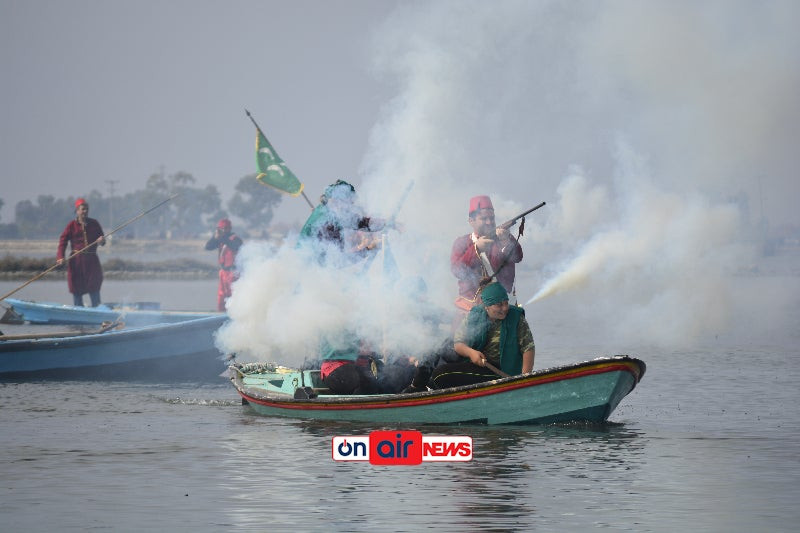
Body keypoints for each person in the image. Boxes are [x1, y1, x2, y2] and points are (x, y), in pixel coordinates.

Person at [427, 282, 535, 390]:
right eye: (499, 305)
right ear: (486, 306)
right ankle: (417, 387)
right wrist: (471, 353)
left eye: (506, 303)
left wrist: (524, 380)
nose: (505, 308)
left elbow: (528, 348)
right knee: (436, 350)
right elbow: (459, 343)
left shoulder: (516, 318)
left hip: (500, 371)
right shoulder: (475, 315)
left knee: (440, 375)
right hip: (478, 364)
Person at [451, 195, 523, 312]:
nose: (489, 222)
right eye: (484, 219)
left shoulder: (504, 238)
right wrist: (476, 249)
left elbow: (518, 256)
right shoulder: (462, 242)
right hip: (471, 307)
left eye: (492, 218)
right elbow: (456, 270)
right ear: (471, 221)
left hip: (503, 305)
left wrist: (506, 241)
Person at [297, 179, 386, 265]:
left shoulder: (328, 212)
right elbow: (339, 261)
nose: (350, 207)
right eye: (349, 203)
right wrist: (369, 249)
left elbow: (361, 223)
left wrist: (384, 223)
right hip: (309, 272)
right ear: (337, 201)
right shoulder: (327, 224)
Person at [57, 198, 106, 307]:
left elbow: (103, 241)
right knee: (76, 289)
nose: (85, 211)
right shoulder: (71, 226)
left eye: (87, 209)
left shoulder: (94, 223)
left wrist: (101, 241)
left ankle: (97, 310)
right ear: (77, 211)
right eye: (83, 209)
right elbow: (63, 241)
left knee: (94, 286)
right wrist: (60, 257)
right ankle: (78, 312)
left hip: (92, 261)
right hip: (76, 261)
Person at [205, 218, 243, 311]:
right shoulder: (220, 239)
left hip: (233, 273)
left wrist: (222, 238)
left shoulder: (235, 239)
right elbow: (208, 247)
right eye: (221, 229)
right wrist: (215, 237)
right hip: (223, 273)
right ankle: (220, 316)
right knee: (221, 298)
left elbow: (234, 246)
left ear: (229, 229)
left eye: (225, 228)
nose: (224, 230)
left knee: (232, 297)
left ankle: (233, 316)